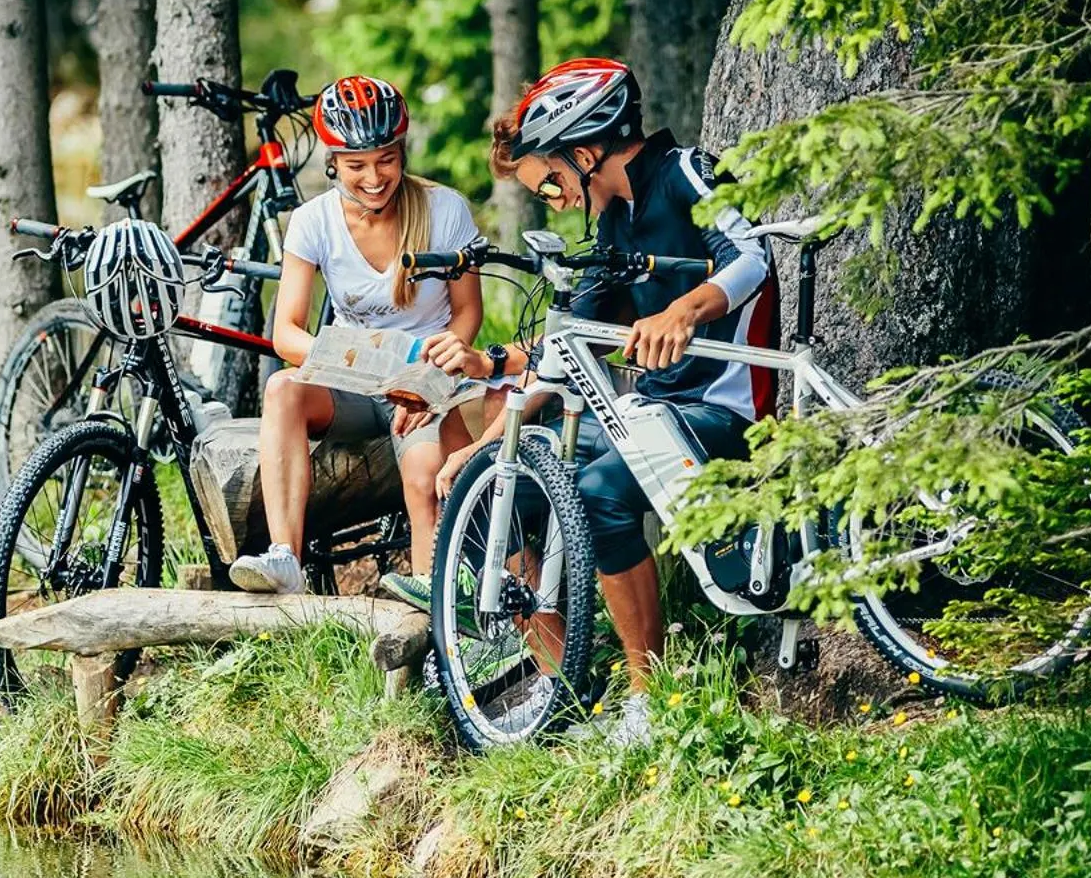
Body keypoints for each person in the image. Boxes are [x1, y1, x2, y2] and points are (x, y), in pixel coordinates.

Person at [425, 57, 776, 743]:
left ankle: (653, 697)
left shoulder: (686, 174)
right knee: (512, 496)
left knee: (599, 491)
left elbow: (752, 255)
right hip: (654, 416)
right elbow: (565, 350)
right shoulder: (615, 225)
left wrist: (685, 310)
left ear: (586, 151)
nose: (553, 197)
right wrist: (482, 439)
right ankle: (565, 690)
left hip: (723, 407)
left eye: (551, 179)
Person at [227, 75, 498, 597]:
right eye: (356, 166)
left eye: (385, 160)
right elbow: (287, 331)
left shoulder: (445, 211)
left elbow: (467, 315)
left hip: (423, 381)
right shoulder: (312, 222)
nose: (374, 177)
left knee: (424, 476)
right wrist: (356, 368)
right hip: (354, 380)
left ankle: (435, 610)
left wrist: (426, 379)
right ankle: (286, 558)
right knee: (282, 388)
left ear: (401, 152)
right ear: (332, 163)